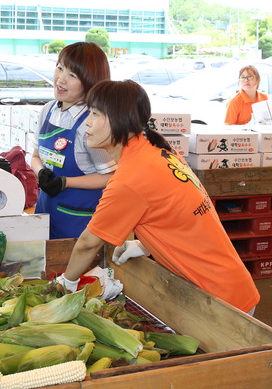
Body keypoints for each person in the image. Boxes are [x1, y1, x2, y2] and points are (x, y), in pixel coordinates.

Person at [58, 79, 260, 315]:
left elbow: (87, 244)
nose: (87, 123)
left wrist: (67, 282)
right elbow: (177, 214)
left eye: (94, 114)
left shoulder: (130, 178)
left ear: (120, 119)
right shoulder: (158, 151)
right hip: (231, 285)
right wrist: (146, 245)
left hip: (221, 303)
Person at [30, 42, 116, 239]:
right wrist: (40, 171)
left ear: (90, 82)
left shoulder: (91, 122)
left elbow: (110, 176)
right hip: (44, 212)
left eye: (72, 75)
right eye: (60, 67)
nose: (61, 79)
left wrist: (66, 182)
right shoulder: (48, 110)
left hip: (77, 221)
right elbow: (35, 155)